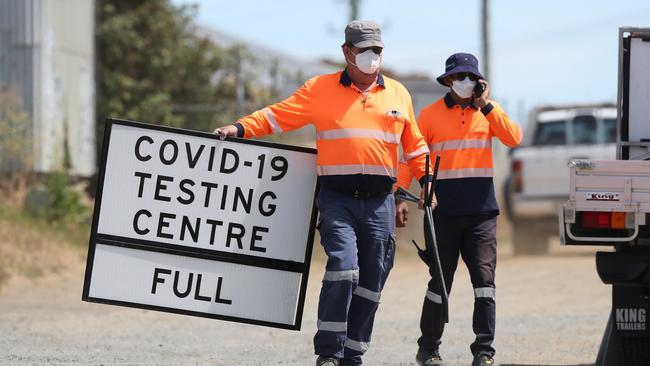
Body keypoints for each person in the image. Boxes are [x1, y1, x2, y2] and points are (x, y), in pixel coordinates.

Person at [215, 20, 433, 366]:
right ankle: (329, 352)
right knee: (344, 269)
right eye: (364, 51)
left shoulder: (398, 94)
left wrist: (427, 179)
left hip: (380, 203)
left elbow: (415, 146)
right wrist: (240, 128)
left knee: (373, 279)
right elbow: (279, 116)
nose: (372, 57)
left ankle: (353, 354)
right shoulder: (319, 89)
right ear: (347, 52)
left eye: (377, 50)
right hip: (338, 200)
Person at [395, 53, 522, 366]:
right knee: (440, 282)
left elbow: (514, 138)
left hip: (481, 214)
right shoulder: (429, 115)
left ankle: (484, 351)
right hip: (441, 214)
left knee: (484, 283)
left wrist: (487, 106)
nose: (464, 83)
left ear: (479, 81)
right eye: (458, 77)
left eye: (470, 77)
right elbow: (411, 156)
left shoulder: (489, 113)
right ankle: (428, 349)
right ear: (448, 80)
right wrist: (400, 195)